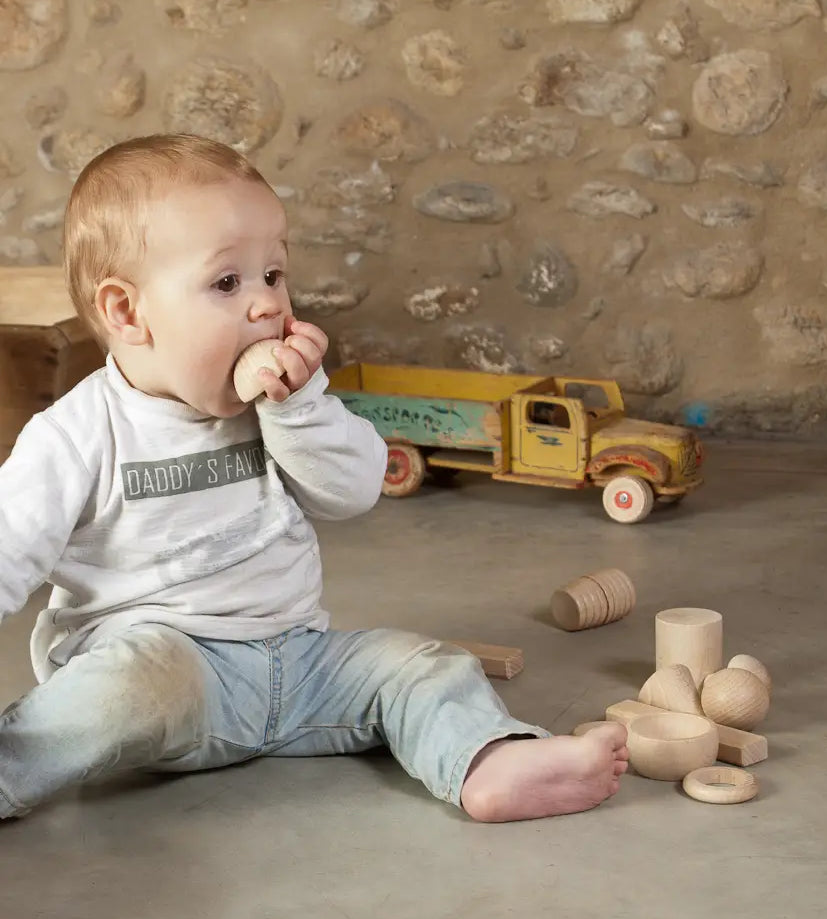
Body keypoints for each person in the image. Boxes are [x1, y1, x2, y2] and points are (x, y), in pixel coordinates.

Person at [0, 134, 628, 823]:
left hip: (298, 663)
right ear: (128, 313)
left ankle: (484, 759)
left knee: (421, 664)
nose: (267, 305)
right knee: (118, 694)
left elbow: (353, 491)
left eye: (273, 274)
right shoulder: (76, 435)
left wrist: (299, 409)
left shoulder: (284, 407)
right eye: (226, 283)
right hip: (168, 676)